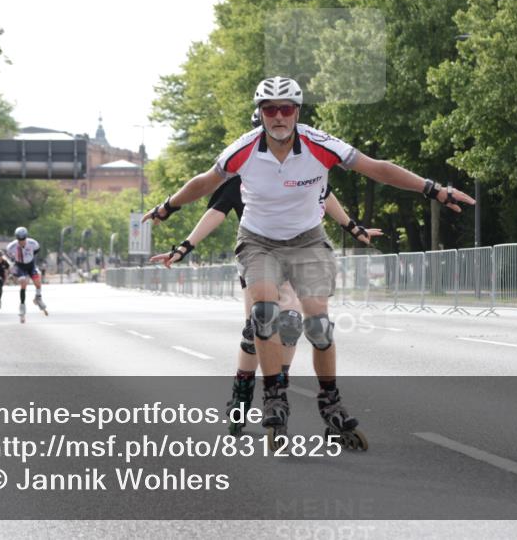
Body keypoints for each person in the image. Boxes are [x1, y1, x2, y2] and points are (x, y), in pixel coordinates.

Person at [144, 76, 472, 448]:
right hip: (258, 242)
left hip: (307, 242)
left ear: (297, 112)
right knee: (264, 314)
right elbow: (205, 182)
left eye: (286, 109)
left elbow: (377, 168)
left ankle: (329, 401)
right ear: (261, 114)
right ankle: (273, 396)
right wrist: (167, 208)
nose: (278, 117)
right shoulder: (244, 150)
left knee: (317, 326)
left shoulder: (321, 146)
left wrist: (434, 189)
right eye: (270, 110)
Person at [150, 111, 383, 435]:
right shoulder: (241, 172)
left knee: (289, 324)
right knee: (258, 326)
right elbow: (215, 214)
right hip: (259, 251)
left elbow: (325, 196)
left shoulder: (302, 167)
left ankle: (279, 392)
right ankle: (242, 393)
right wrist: (183, 247)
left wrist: (353, 228)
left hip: (298, 250)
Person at [6, 226, 47, 323]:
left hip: (30, 265)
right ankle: (22, 306)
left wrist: (29, 256)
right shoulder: (11, 246)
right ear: (17, 239)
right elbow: (9, 255)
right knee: (24, 283)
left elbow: (37, 250)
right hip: (20, 266)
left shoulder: (33, 243)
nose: (22, 242)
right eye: (20, 240)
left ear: (26, 237)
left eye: (23, 239)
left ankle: (38, 297)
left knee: (37, 279)